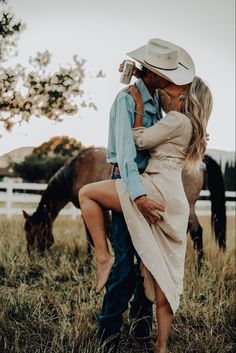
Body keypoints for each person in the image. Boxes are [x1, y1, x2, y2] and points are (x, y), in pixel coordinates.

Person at [80, 38, 197, 352]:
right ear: (156, 74)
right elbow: (127, 156)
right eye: (168, 74)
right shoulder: (127, 100)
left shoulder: (157, 101)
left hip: (147, 182)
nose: (174, 80)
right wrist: (138, 196)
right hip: (130, 182)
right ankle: (109, 335)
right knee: (124, 265)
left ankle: (143, 329)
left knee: (148, 261)